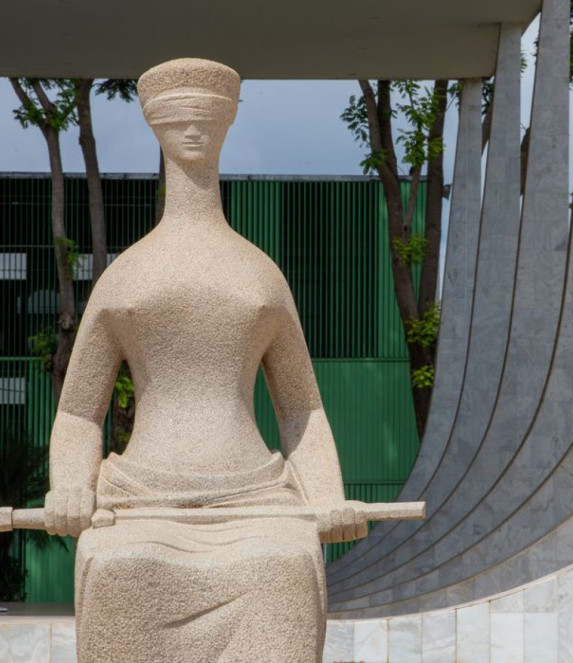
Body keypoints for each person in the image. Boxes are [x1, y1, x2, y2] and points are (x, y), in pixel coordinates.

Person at [43, 58, 365, 662]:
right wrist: (68, 485)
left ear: (228, 123)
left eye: (206, 120)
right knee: (123, 567)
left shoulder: (259, 274)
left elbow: (303, 411)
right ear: (154, 126)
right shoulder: (126, 277)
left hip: (256, 500)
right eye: (177, 120)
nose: (192, 132)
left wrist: (328, 495)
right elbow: (79, 414)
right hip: (141, 502)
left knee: (286, 564)